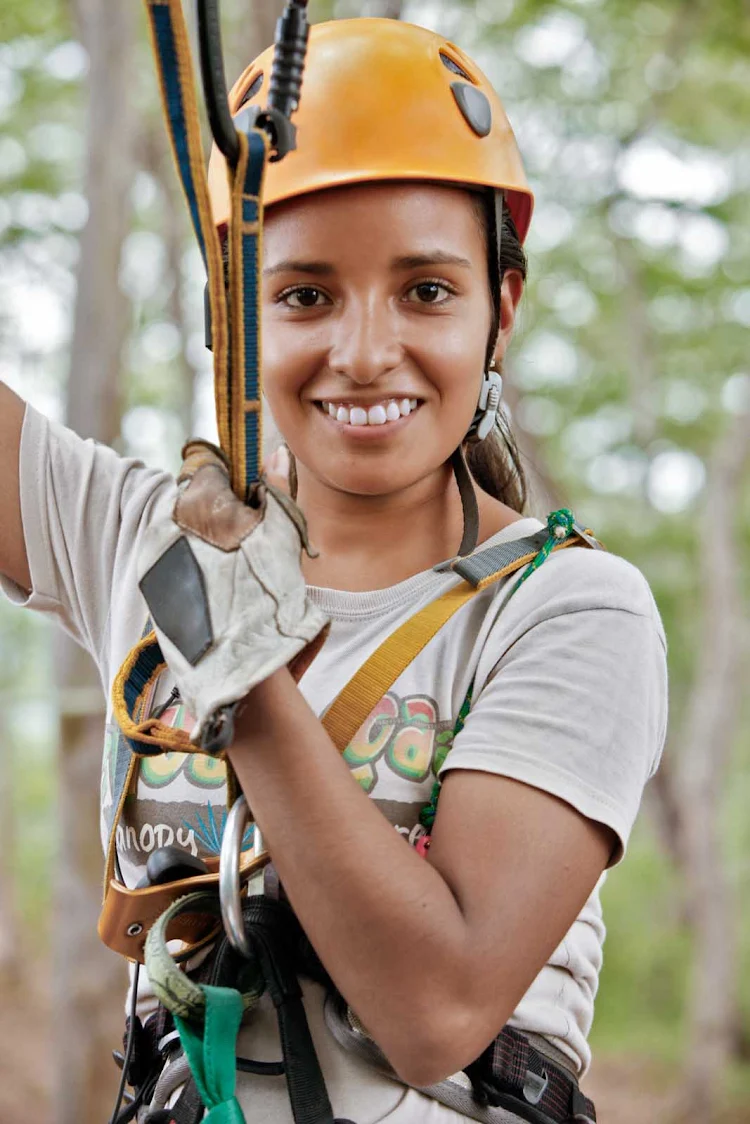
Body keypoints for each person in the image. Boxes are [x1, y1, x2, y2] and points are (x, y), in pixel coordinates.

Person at [0, 17, 667, 1124]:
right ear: (234, 313)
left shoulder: (567, 610)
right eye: (305, 294)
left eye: (427, 290)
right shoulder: (141, 539)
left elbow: (436, 1007)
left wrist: (238, 668)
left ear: (502, 310)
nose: (364, 351)